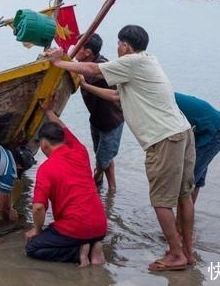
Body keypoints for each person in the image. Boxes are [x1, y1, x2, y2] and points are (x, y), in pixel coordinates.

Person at [46, 25, 196, 271]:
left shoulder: (132, 62)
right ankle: (187, 253)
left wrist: (59, 63)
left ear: (126, 45)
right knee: (183, 196)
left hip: (164, 139)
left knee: (161, 201)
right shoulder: (147, 61)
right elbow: (118, 97)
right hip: (182, 132)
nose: (117, 48)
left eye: (119, 43)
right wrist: (86, 86)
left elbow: (94, 68)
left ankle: (176, 255)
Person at [24, 103, 107, 267]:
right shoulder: (80, 151)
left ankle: (80, 252)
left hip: (75, 228)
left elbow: (38, 208)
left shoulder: (46, 168)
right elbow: (64, 128)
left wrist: (37, 230)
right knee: (73, 229)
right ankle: (94, 244)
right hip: (100, 226)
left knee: (32, 248)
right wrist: (48, 111)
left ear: (44, 144)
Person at [74, 33, 125, 192]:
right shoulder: (85, 65)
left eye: (79, 47)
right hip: (96, 119)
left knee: (102, 160)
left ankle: (90, 186)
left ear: (88, 52)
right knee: (103, 156)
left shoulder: (102, 67)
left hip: (111, 121)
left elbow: (89, 74)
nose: (75, 49)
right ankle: (111, 189)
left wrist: (67, 64)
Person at [174, 93, 220, 206]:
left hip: (213, 131)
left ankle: (183, 220)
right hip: (204, 130)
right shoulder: (164, 93)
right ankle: (187, 216)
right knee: (194, 180)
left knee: (187, 183)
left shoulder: (161, 101)